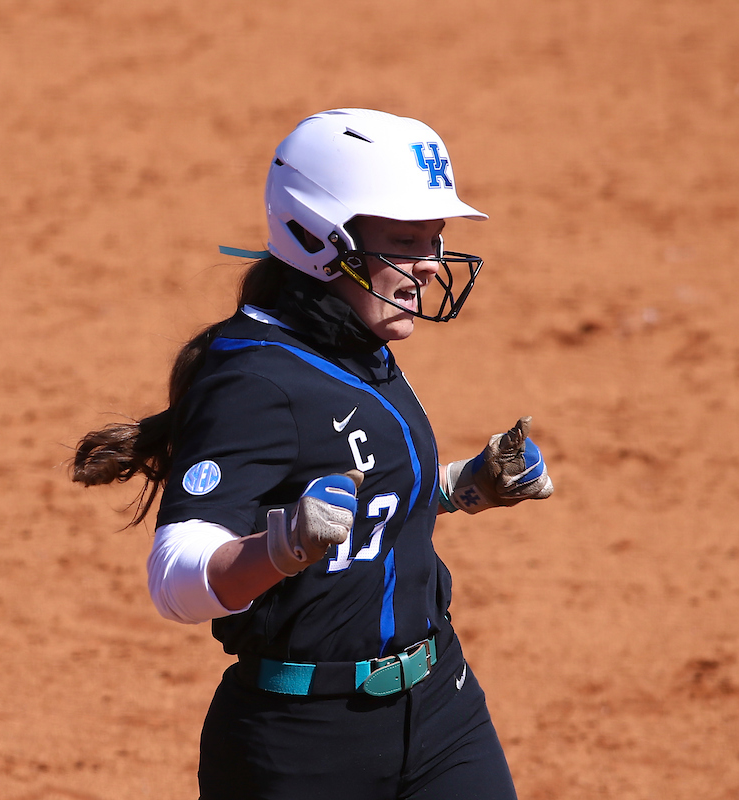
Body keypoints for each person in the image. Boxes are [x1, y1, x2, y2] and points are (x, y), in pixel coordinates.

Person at [71, 108, 553, 800]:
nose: (429, 266)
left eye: (434, 238)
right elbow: (174, 580)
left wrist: (464, 485)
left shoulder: (358, 341)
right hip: (303, 746)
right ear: (321, 239)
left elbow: (367, 500)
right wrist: (285, 546)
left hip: (442, 709)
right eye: (404, 241)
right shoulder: (254, 381)